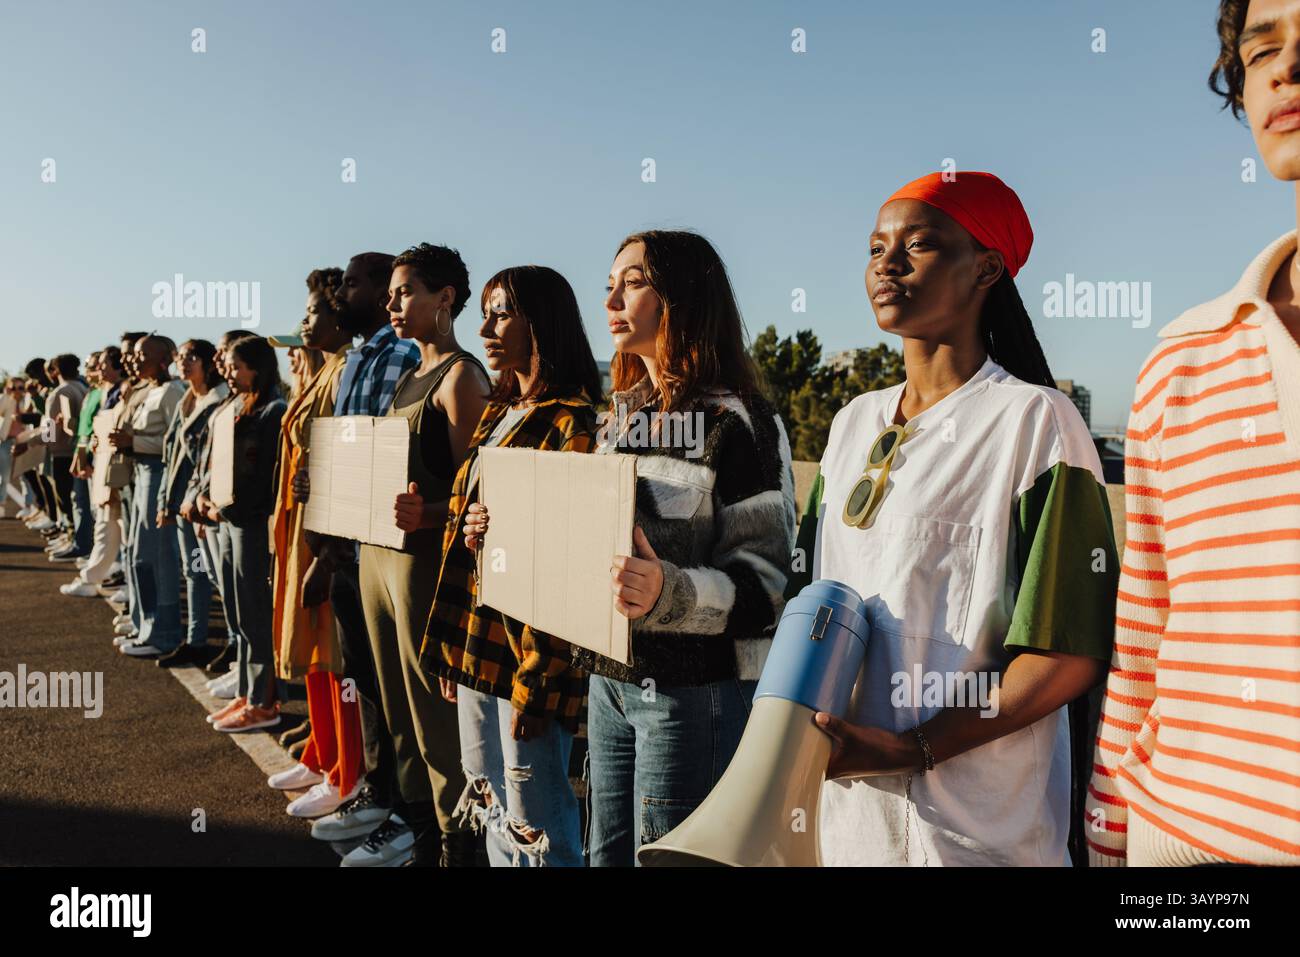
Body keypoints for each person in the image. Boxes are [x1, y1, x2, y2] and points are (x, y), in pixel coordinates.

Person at [789, 172, 1117, 866]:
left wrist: (914, 747)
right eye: (877, 247)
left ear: (987, 268)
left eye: (919, 245)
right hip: (845, 825)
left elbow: (1067, 654)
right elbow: (809, 610)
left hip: (976, 833)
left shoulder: (1037, 422)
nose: (887, 262)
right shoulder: (850, 425)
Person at [1086, 0, 1300, 867]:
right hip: (1184, 849)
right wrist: (1108, 839)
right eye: (1263, 47)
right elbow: (1142, 638)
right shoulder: (1184, 356)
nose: (1286, 67)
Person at [552, 230, 794, 867]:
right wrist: (507, 530)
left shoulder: (741, 422)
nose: (610, 298)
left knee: (665, 860)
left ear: (683, 297)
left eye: (632, 282)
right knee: (603, 855)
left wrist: (671, 592)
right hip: (609, 680)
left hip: (694, 693)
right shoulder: (622, 417)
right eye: (609, 283)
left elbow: (768, 586)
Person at [423, 266, 602, 867]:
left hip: (530, 652)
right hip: (479, 640)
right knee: (490, 794)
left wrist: (540, 678)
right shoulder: (499, 409)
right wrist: (469, 521)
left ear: (541, 323)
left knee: (539, 818)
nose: (486, 327)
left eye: (502, 313)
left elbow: (568, 559)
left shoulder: (574, 419)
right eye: (489, 313)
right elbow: (466, 516)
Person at [346, 243, 490, 867]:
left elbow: (480, 495)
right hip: (379, 557)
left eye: (405, 292)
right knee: (397, 705)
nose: (392, 303)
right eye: (392, 294)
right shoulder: (408, 376)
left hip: (422, 564)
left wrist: (428, 515)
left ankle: (457, 841)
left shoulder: (463, 377)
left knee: (434, 716)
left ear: (445, 298)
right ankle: (416, 826)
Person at [292, 252, 421, 857]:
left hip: (374, 544)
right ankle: (375, 792)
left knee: (390, 685)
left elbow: (379, 457)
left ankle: (405, 812)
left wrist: (334, 547)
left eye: (353, 282)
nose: (344, 290)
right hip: (347, 542)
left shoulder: (399, 354)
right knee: (364, 682)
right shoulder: (360, 356)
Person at [264, 268, 366, 818]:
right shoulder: (324, 372)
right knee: (315, 651)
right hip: (302, 525)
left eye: (312, 312)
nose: (305, 324)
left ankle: (347, 771)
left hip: (326, 533)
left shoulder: (346, 370)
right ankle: (322, 751)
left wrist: (326, 553)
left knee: (335, 652)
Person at [206, 335, 287, 732]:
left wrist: (230, 502)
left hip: (252, 525)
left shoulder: (274, 411)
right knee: (238, 612)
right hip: (229, 521)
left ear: (256, 367)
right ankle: (246, 690)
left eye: (237, 366)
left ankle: (263, 701)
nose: (229, 372)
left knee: (255, 613)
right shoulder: (237, 406)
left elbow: (266, 479)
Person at [154, 339, 229, 667]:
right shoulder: (187, 398)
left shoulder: (218, 400)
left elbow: (209, 459)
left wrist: (198, 502)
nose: (184, 363)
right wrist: (165, 502)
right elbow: (171, 456)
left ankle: (235, 645)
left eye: (192, 357)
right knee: (193, 571)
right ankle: (196, 641)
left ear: (209, 362)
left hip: (203, 505)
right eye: (180, 357)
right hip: (181, 502)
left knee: (216, 575)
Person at [113, 336, 187, 658]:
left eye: (142, 354)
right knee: (138, 555)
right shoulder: (148, 390)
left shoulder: (172, 391)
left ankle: (165, 633)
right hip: (141, 473)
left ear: (163, 358)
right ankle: (145, 626)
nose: (134, 359)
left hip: (157, 475)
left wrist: (134, 442)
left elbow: (178, 444)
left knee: (156, 557)